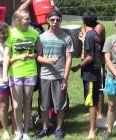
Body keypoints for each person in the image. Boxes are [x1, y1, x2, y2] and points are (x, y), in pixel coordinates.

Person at [35, 10, 73, 139]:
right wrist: (47, 60)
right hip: (45, 75)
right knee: (44, 105)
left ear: (61, 21)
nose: (55, 22)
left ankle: (59, 128)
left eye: (57, 20)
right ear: (47, 21)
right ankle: (45, 128)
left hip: (60, 76)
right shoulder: (41, 37)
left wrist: (65, 77)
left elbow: (69, 58)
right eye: (52, 20)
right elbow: (38, 57)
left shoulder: (66, 37)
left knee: (60, 104)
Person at [2, 10, 39, 140]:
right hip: (15, 72)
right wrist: (4, 74)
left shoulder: (34, 33)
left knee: (27, 103)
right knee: (17, 105)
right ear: (18, 20)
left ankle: (26, 132)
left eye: (29, 19)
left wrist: (32, 55)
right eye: (26, 19)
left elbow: (38, 52)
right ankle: (18, 132)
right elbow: (6, 55)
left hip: (30, 71)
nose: (29, 21)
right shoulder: (11, 34)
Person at [72, 9, 101, 139]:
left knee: (91, 102)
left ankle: (92, 130)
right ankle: (93, 128)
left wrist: (78, 66)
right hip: (94, 73)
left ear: (84, 21)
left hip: (90, 74)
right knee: (92, 100)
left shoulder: (89, 35)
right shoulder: (93, 34)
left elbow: (89, 57)